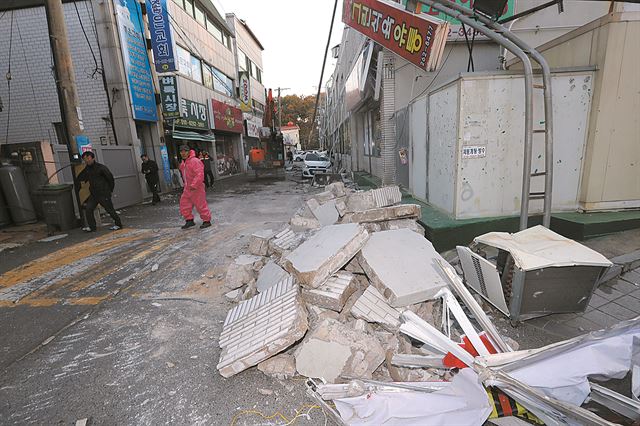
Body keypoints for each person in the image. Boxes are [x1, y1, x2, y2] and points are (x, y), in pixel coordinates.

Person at [77, 151, 123, 232]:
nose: (87, 160)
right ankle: (92, 227)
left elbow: (110, 179)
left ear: (93, 158)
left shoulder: (101, 167)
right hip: (94, 194)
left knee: (109, 209)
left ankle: (118, 224)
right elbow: (81, 177)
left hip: (103, 193)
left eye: (88, 158)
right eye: (85, 159)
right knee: (89, 209)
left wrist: (110, 190)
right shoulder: (87, 169)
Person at [178, 145, 212, 229]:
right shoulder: (183, 163)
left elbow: (200, 174)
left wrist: (194, 185)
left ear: (189, 151)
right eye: (181, 151)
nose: (183, 153)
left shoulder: (195, 161)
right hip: (187, 188)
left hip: (197, 187)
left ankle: (206, 221)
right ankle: (189, 220)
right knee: (184, 204)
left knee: (200, 204)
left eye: (185, 151)